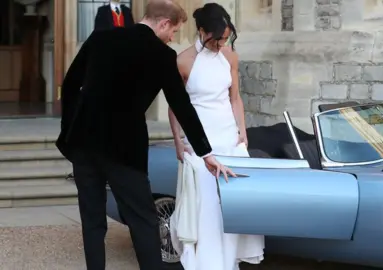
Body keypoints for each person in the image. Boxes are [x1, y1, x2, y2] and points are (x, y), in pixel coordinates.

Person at [55, 1, 235, 269]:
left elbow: (70, 84)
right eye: (173, 31)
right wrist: (205, 152)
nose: (172, 37)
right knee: (143, 220)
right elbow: (181, 106)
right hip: (124, 149)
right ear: (163, 24)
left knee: (92, 220)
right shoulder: (161, 55)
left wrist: (69, 131)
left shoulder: (100, 38)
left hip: (84, 144)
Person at [168, 3, 265, 270]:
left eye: (225, 38)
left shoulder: (230, 56)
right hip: (199, 139)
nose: (222, 43)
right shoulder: (183, 60)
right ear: (202, 31)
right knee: (206, 204)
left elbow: (235, 98)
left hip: (227, 137)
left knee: (231, 202)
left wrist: (242, 132)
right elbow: (176, 106)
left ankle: (229, 261)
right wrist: (178, 141)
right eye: (218, 38)